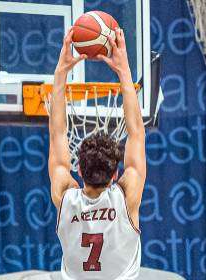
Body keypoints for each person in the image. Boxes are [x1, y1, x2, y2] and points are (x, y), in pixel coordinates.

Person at [47, 27, 146, 280]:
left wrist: (61, 73)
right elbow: (136, 132)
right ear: (115, 174)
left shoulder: (65, 197)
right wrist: (123, 70)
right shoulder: (127, 197)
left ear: (78, 169)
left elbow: (57, 134)